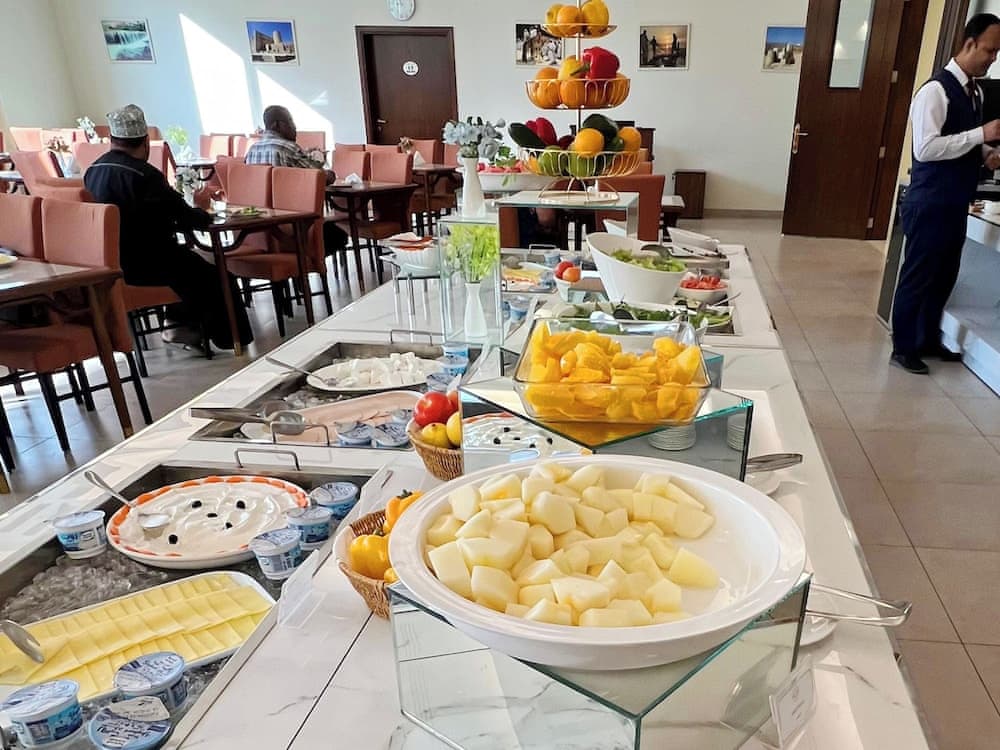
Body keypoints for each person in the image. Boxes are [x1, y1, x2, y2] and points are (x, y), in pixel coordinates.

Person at [85, 104, 253, 351]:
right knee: (217, 277)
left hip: (112, 263)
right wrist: (202, 209)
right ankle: (232, 340)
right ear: (145, 142)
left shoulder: (93, 171)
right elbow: (184, 217)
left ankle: (180, 326)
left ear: (112, 139)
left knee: (193, 268)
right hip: (151, 260)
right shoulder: (145, 175)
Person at [890, 13, 1000, 374]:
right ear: (969, 43)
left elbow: (961, 141)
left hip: (955, 202)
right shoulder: (934, 91)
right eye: (989, 51)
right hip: (929, 202)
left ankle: (927, 339)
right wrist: (981, 135)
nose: (993, 59)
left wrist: (986, 153)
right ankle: (903, 347)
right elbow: (926, 149)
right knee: (918, 276)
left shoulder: (976, 91)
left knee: (944, 276)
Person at [244, 105, 347, 254]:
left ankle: (297, 264)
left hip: (259, 227)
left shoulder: (252, 150)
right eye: (290, 122)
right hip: (291, 225)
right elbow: (318, 177)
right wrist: (329, 172)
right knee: (338, 236)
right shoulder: (288, 148)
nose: (295, 127)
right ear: (277, 125)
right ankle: (307, 262)